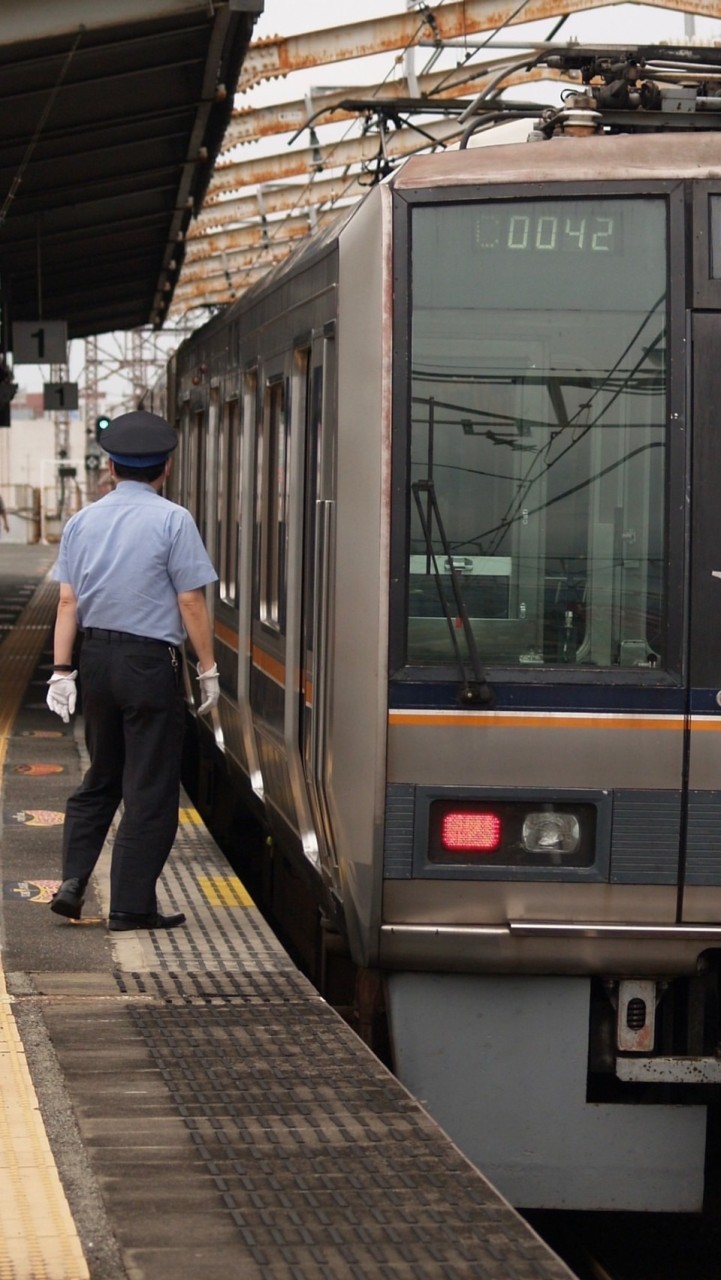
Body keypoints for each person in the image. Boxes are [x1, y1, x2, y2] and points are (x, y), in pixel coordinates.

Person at [46, 410, 220, 931]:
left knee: (101, 777)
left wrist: (61, 671)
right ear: (164, 467)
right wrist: (208, 668)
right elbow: (190, 603)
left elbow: (67, 603)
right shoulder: (173, 519)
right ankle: (129, 905)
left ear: (111, 467)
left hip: (95, 661)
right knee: (149, 786)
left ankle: (73, 883)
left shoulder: (82, 521)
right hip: (149, 664)